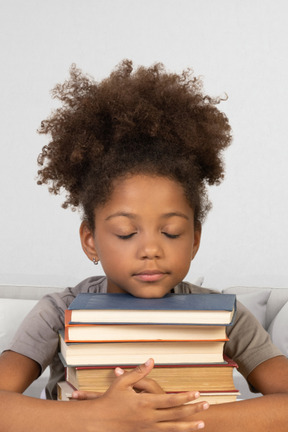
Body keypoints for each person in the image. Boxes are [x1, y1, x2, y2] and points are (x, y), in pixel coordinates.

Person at [0, 60, 287, 432]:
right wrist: (98, 417)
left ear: (195, 239)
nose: (151, 249)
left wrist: (174, 419)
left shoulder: (226, 316)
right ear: (91, 240)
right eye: (125, 232)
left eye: (170, 232)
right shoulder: (57, 312)